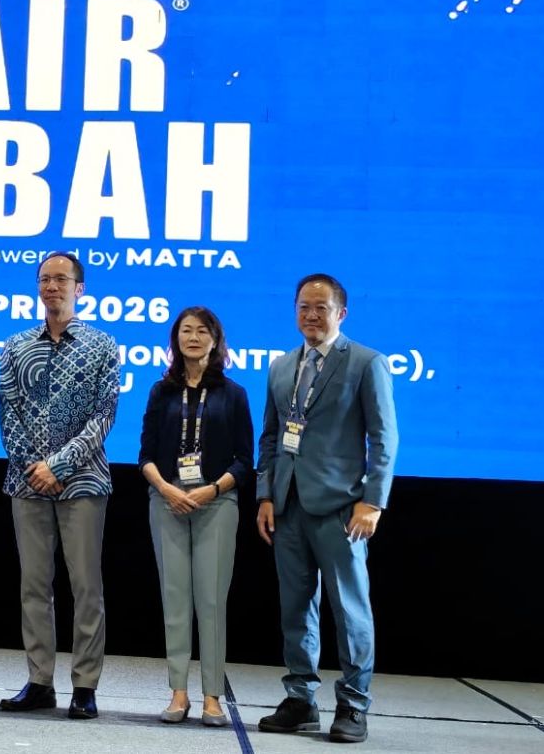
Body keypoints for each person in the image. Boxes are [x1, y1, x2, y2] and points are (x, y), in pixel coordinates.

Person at [256, 274, 398, 744]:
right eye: (303, 307)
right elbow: (272, 438)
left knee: (350, 611)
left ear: (342, 312)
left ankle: (354, 705)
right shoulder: (280, 366)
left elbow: (384, 438)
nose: (311, 316)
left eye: (321, 307)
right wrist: (266, 495)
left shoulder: (365, 362)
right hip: (289, 506)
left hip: (342, 508)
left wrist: (373, 500)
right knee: (296, 608)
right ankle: (300, 699)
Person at [0, 252, 119, 720]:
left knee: (86, 587)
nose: (52, 286)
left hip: (84, 481)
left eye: (61, 279)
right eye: (44, 279)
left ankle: (85, 686)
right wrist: (35, 467)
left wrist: (60, 466)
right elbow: (8, 417)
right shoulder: (15, 346)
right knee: (33, 586)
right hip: (26, 483)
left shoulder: (103, 345)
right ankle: (39, 681)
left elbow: (104, 416)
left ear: (79, 288)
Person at [138, 306, 253, 727]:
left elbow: (245, 461)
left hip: (216, 504)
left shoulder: (233, 393)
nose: (193, 337)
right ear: (175, 339)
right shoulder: (160, 391)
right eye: (185, 330)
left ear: (215, 339)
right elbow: (145, 455)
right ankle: (178, 692)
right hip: (166, 501)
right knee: (175, 601)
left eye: (202, 330)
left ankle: (212, 696)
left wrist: (210, 489)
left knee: (211, 602)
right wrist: (167, 488)